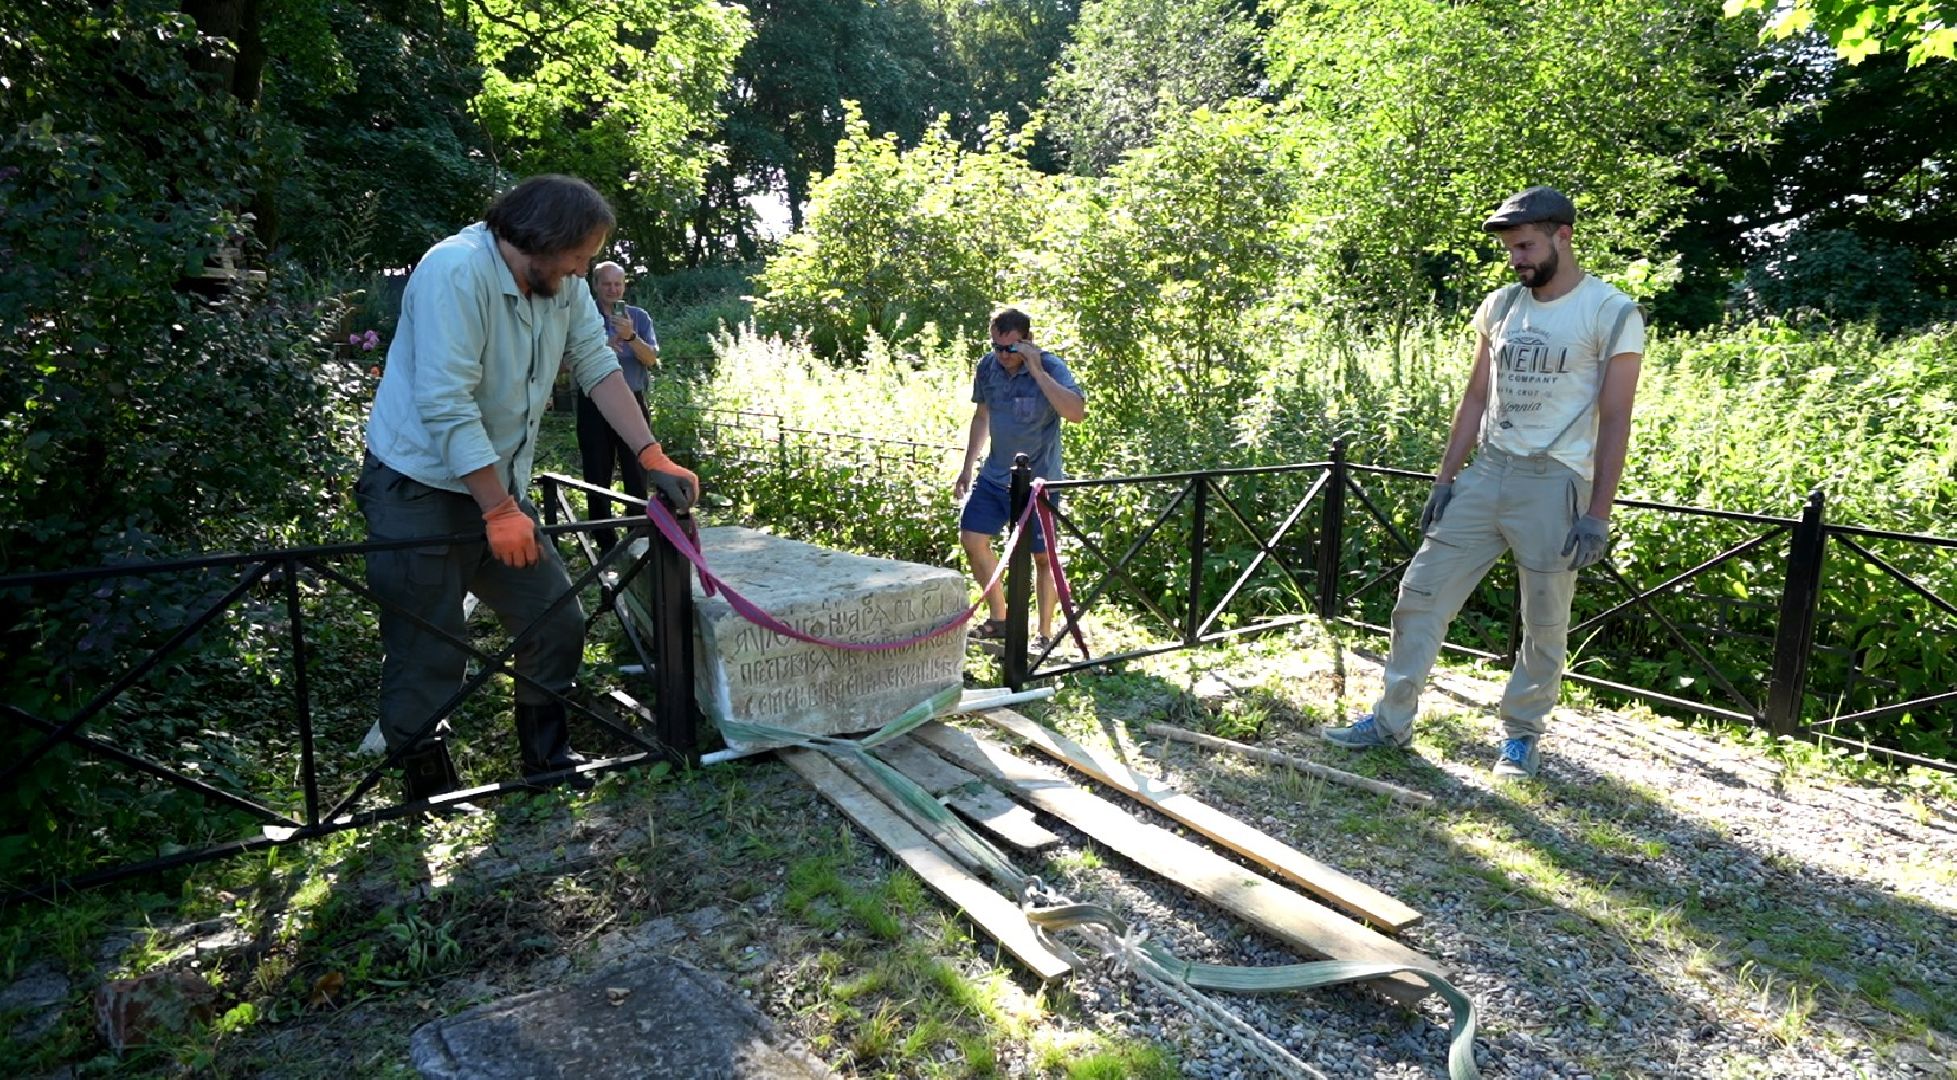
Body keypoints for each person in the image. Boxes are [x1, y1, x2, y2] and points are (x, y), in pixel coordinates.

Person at [356, 175, 699, 800]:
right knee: (427, 642)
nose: (586, 266)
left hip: (499, 487)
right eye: (582, 253)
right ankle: (423, 787)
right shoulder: (454, 273)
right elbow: (446, 404)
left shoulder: (560, 285)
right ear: (544, 239)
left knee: (554, 617)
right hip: (417, 487)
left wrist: (651, 453)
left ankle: (546, 760)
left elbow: (597, 365)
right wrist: (497, 508)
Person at [1320, 186, 1645, 781]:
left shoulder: (1611, 312)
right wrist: (1447, 479)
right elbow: (1476, 397)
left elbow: (1617, 416)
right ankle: (1391, 721)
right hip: (1488, 471)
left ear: (1562, 236)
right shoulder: (1500, 307)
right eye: (1509, 249)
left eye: (1524, 246)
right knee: (1420, 594)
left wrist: (1598, 512)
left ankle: (1521, 736)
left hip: (1556, 482)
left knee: (1544, 620)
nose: (1516, 259)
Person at [954, 308, 1086, 647]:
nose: (1001, 355)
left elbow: (1076, 414)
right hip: (996, 476)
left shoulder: (1051, 367)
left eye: (1009, 349)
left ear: (1026, 341)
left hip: (1039, 481)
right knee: (972, 538)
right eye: (996, 346)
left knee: (1043, 557)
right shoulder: (988, 367)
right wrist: (968, 467)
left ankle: (1043, 633)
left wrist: (1036, 369)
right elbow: (981, 415)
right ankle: (1001, 618)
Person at [578, 260, 660, 553]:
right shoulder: (582, 317)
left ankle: (638, 539)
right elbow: (563, 363)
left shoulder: (638, 317)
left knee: (637, 470)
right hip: (593, 403)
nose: (613, 289)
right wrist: (602, 349)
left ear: (624, 286)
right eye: (607, 284)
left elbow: (651, 359)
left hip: (633, 400)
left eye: (618, 284)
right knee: (597, 473)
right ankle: (605, 545)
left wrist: (630, 337)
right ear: (595, 285)